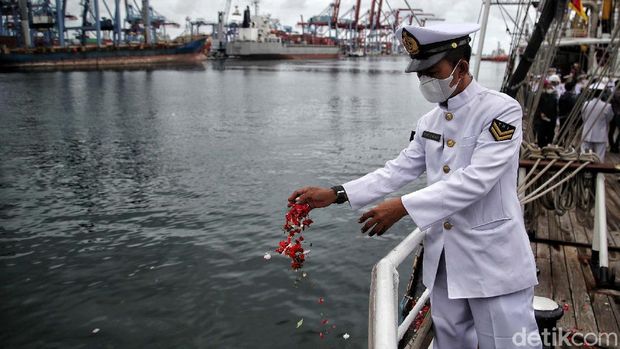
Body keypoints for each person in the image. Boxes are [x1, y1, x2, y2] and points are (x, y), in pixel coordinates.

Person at [288, 23, 540, 349]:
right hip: (446, 262)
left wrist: (403, 206)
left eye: (432, 72)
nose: (425, 81)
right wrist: (337, 193)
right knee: (451, 343)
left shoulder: (500, 110)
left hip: (494, 261)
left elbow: (476, 180)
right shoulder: (429, 123)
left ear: (461, 67)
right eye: (420, 75)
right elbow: (397, 170)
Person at [581, 83, 614, 161]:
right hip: (600, 134)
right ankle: (597, 173)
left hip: (587, 133)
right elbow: (609, 118)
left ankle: (584, 171)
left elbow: (583, 117)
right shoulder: (607, 106)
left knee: (584, 156)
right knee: (599, 158)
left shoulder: (586, 104)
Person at [535, 80, 559, 147]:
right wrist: (541, 113)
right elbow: (539, 106)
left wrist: (552, 118)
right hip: (542, 119)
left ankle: (548, 145)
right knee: (541, 134)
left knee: (550, 133)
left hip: (551, 119)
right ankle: (541, 145)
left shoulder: (554, 97)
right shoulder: (542, 96)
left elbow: (555, 110)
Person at [609, 80, 620, 153]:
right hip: (618, 115)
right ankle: (615, 145)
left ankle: (612, 146)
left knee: (611, 131)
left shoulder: (612, 93)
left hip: (612, 114)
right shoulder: (617, 93)